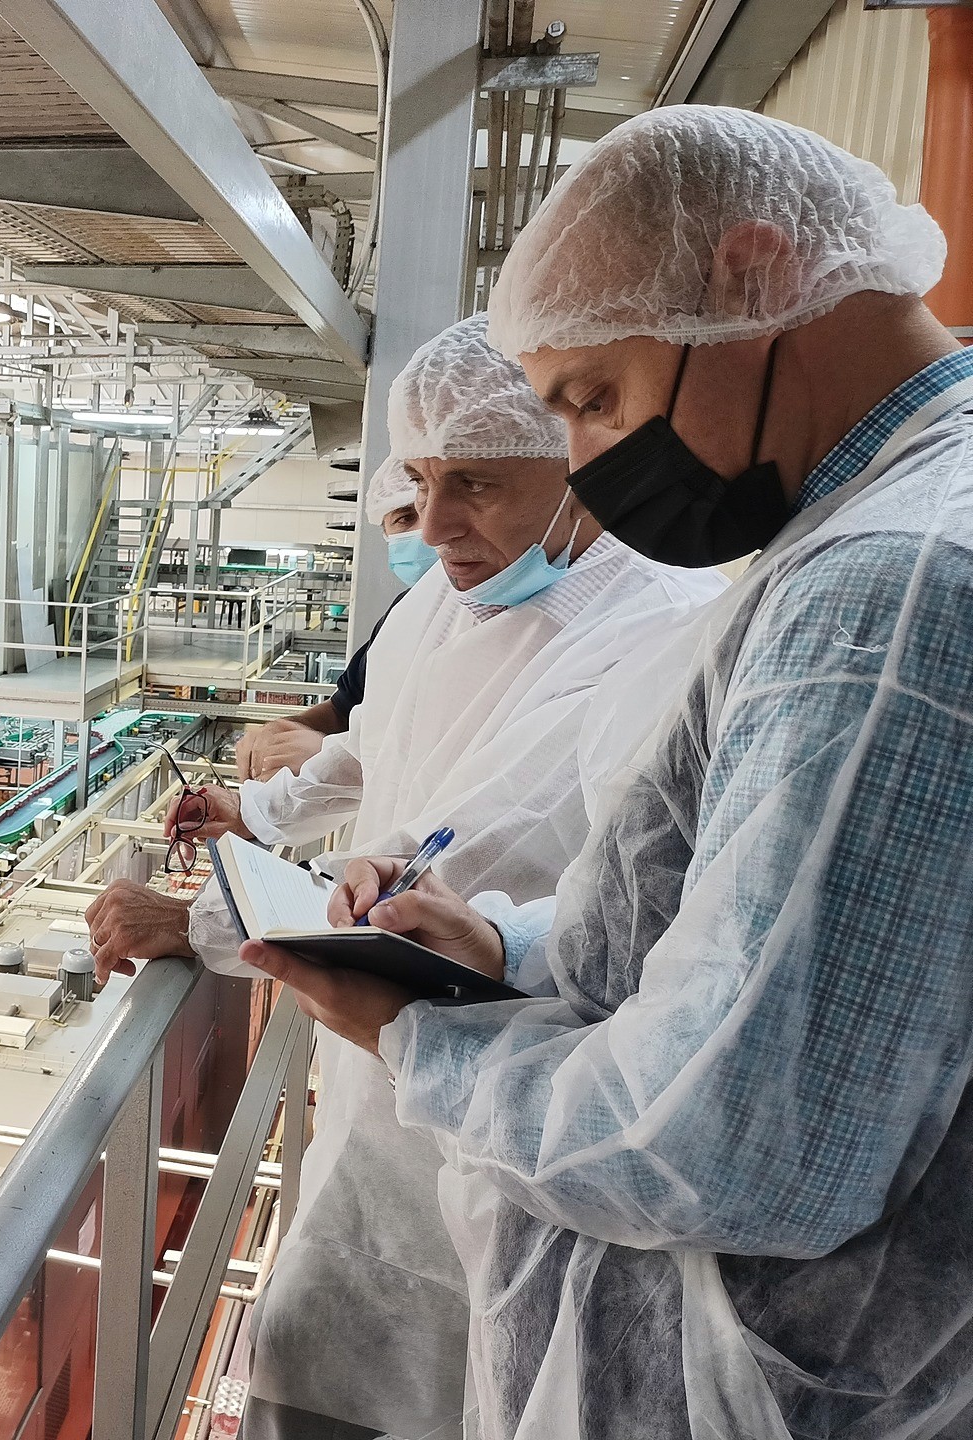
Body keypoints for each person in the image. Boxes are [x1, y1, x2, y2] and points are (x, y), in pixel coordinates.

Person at [242, 106, 973, 1439]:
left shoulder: (892, 587)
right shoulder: (872, 526)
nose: (586, 460)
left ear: (753, 279)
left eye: (595, 398)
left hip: (770, 1379)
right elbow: (756, 931)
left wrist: (418, 1041)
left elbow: (728, 1146)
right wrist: (511, 947)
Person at [86, 314, 725, 1440]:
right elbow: (373, 750)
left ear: (580, 452)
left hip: (510, 1103)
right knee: (340, 1338)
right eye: (421, 480)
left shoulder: (649, 631)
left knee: (446, 1370)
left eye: (475, 482)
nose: (434, 525)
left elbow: (446, 872)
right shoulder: (457, 595)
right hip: (387, 1085)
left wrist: (200, 925)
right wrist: (261, 811)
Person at [235, 464, 433, 783]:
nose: (430, 530)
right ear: (385, 532)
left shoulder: (489, 622)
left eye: (427, 507)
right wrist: (286, 729)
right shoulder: (402, 615)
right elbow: (344, 709)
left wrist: (337, 757)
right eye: (405, 518)